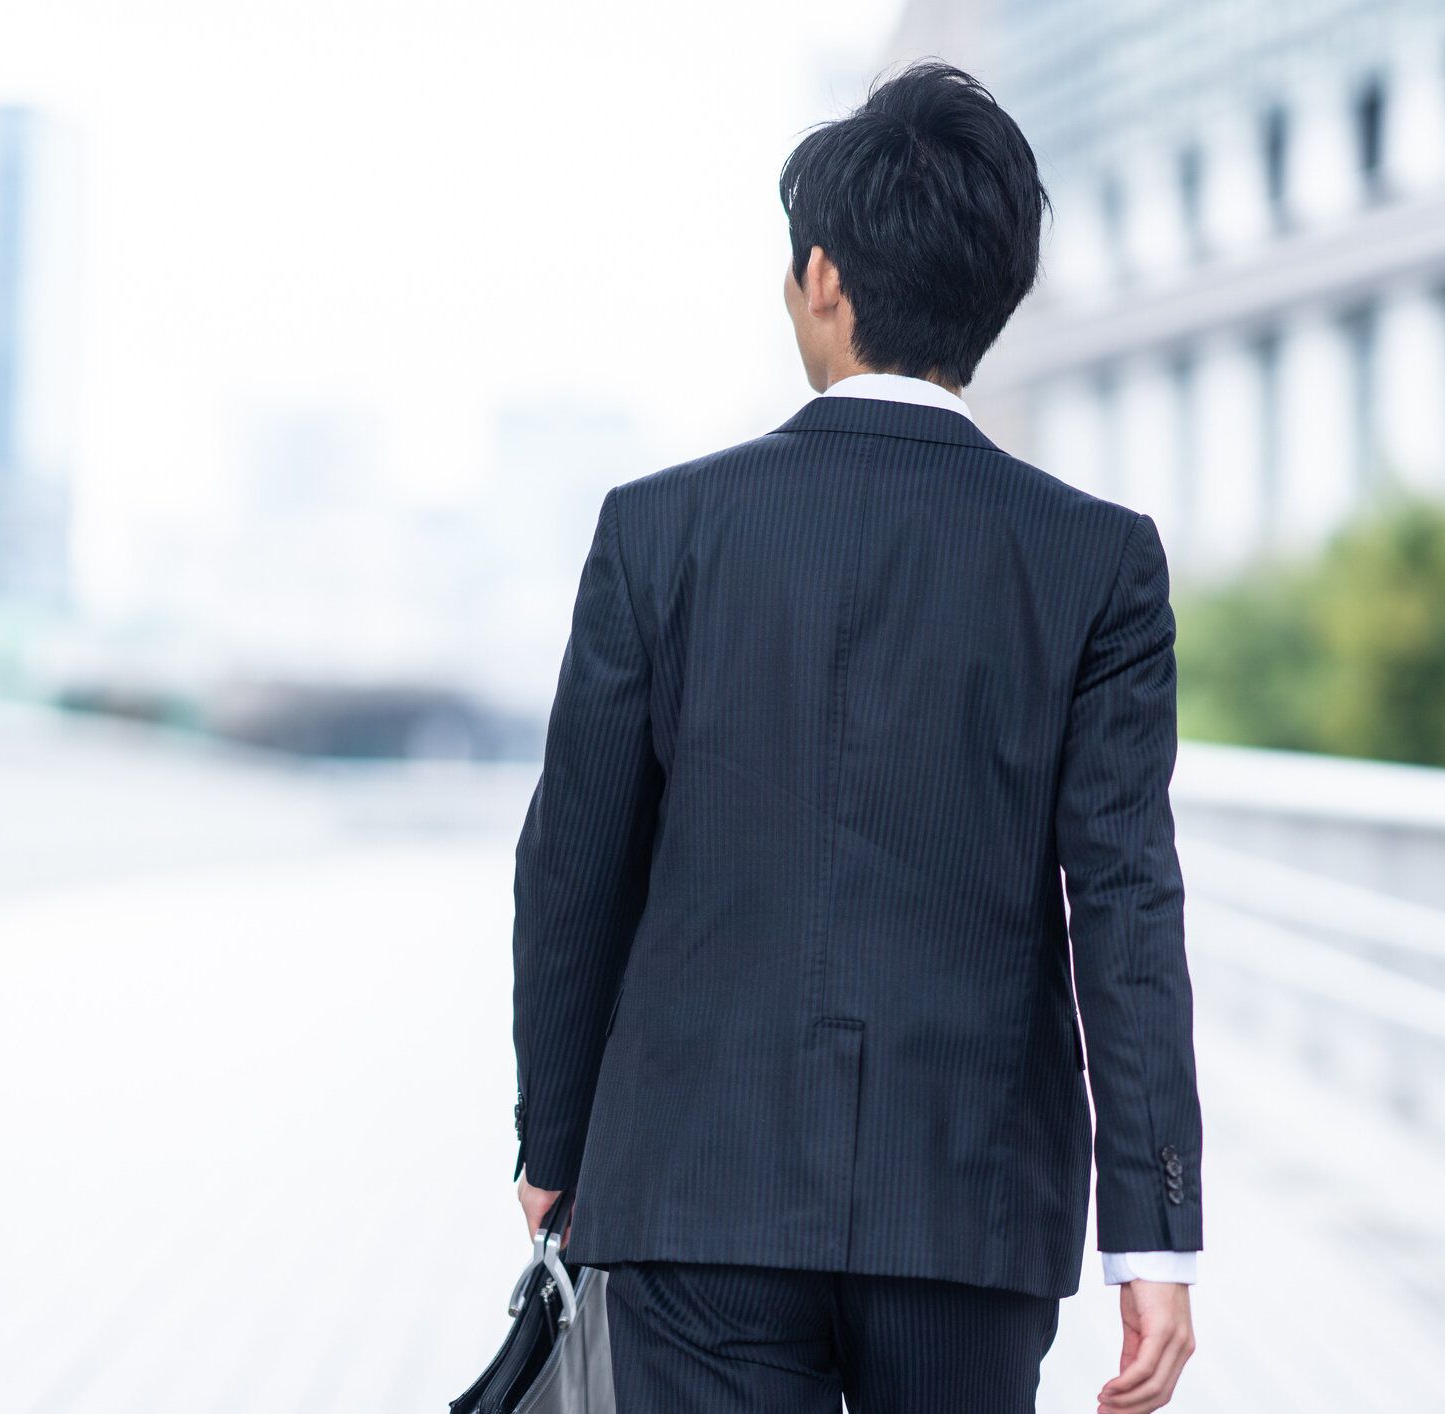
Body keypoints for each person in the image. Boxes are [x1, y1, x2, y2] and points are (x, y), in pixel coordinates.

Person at [508, 58, 1200, 1414]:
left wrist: (555, 1140)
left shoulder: (660, 532)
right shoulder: (1096, 563)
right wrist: (1153, 1234)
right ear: (993, 292)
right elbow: (1125, 903)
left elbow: (573, 868)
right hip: (968, 1209)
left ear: (821, 278)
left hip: (693, 1193)